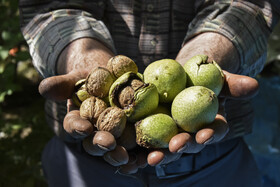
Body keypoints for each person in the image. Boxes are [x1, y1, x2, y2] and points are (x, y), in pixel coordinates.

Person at [19, 0, 280, 186]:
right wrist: (80, 55)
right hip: (84, 158)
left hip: (215, 159)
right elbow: (49, 7)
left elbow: (248, 3)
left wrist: (212, 49)